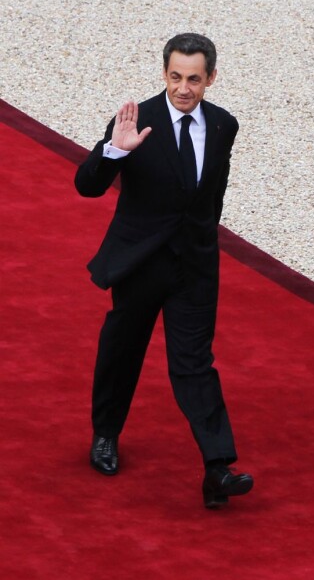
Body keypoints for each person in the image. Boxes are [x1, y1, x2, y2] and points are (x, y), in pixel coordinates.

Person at [75, 33, 253, 508]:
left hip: (194, 266)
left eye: (194, 79)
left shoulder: (222, 125)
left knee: (194, 364)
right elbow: (87, 186)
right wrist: (114, 151)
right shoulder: (138, 120)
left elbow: (213, 194)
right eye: (176, 77)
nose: (184, 88)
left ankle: (218, 467)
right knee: (123, 350)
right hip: (141, 263)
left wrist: (203, 240)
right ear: (164, 74)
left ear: (210, 78)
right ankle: (105, 435)